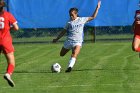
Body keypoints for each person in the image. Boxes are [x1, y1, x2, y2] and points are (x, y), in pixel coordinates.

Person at [53, 1, 101, 72]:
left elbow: (93, 17)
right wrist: (57, 39)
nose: (71, 16)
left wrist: (97, 8)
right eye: (70, 15)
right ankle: (70, 53)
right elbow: (63, 31)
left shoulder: (82, 20)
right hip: (69, 41)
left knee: (74, 53)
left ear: (76, 14)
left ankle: (69, 67)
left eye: (72, 15)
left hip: (78, 41)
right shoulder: (69, 22)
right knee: (61, 54)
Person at [0, 0, 19, 87]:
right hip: (5, 41)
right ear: (3, 7)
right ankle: (8, 74)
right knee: (11, 61)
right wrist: (8, 28)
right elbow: (16, 28)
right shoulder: (8, 15)